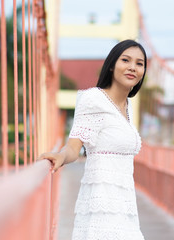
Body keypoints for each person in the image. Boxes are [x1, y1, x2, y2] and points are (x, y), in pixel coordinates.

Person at [37, 39, 147, 240]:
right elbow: (74, 146)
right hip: (101, 207)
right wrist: (61, 156)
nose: (133, 67)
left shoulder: (128, 106)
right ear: (112, 64)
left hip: (126, 206)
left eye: (139, 63)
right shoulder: (93, 99)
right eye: (126, 60)